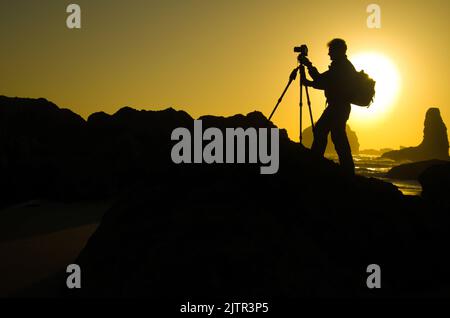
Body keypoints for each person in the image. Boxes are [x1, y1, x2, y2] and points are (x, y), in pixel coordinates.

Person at [300, 38, 356, 175]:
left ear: (338, 51)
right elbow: (322, 80)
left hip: (338, 106)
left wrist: (308, 71)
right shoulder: (341, 66)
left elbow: (322, 81)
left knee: (326, 132)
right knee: (335, 135)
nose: (329, 54)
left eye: (330, 51)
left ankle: (316, 163)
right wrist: (308, 67)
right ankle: (347, 169)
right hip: (338, 106)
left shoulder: (342, 67)